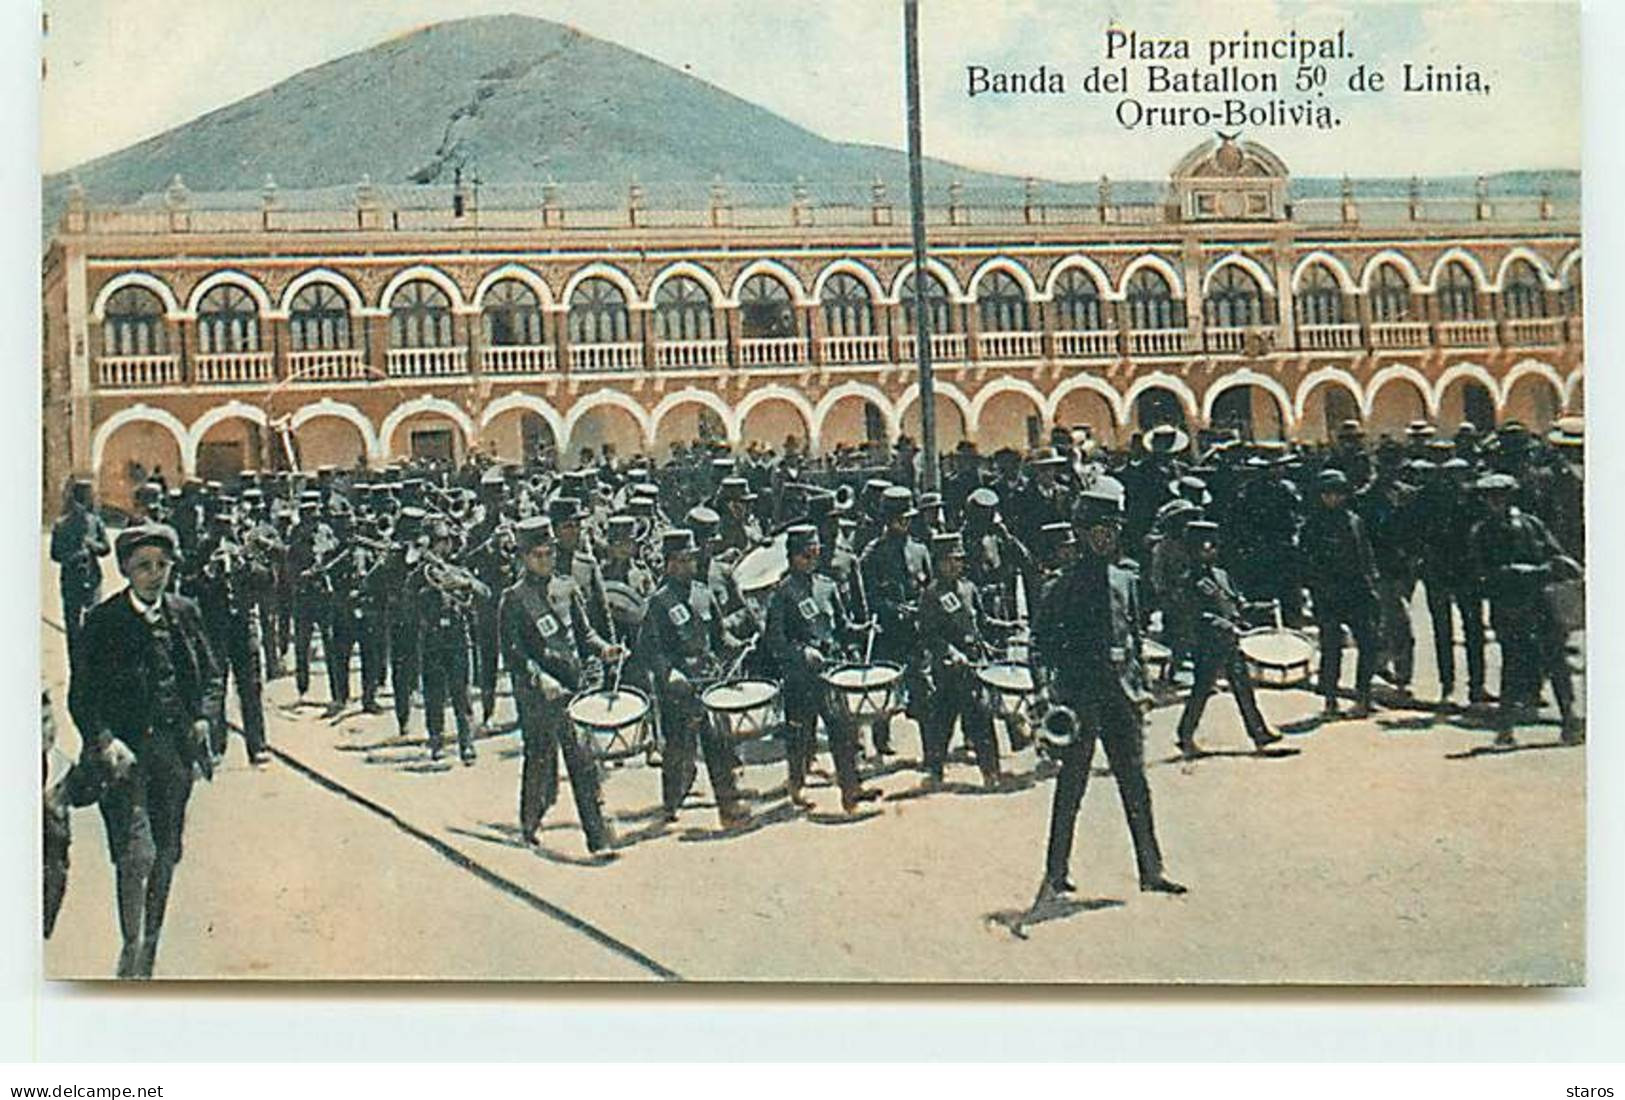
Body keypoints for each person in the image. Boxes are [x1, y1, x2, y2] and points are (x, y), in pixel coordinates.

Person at [68, 523, 221, 978]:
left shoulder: (185, 612)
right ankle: (130, 941)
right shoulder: (102, 622)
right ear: (125, 571)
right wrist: (105, 741)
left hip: (174, 757)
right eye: (144, 567)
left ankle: (150, 939)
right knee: (136, 853)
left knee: (168, 850)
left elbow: (212, 676)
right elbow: (83, 696)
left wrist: (202, 718)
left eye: (162, 566)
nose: (155, 575)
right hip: (125, 758)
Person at [1032, 480, 1184, 904]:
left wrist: (1143, 686)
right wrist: (1051, 697)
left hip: (1122, 695)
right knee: (1072, 786)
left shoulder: (1126, 578)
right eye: (1096, 529)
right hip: (1081, 700)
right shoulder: (1059, 586)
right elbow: (1041, 646)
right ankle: (1056, 872)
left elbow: (1134, 635)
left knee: (1135, 784)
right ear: (1080, 534)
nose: (1105, 536)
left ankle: (1152, 870)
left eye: (1112, 528)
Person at [499, 516, 624, 852]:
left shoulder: (568, 588)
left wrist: (605, 649)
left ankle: (598, 839)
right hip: (538, 696)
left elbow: (585, 634)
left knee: (583, 762)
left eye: (549, 553)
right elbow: (514, 654)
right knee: (539, 760)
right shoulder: (514, 599)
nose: (545, 560)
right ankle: (530, 821)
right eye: (537, 555)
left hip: (573, 688)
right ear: (524, 557)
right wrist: (541, 678)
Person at [637, 529, 751, 828]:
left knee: (719, 744)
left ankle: (729, 805)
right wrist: (669, 673)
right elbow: (651, 649)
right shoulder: (659, 602)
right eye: (683, 560)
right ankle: (671, 803)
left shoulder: (703, 593)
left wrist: (737, 646)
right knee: (679, 749)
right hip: (679, 687)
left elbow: (719, 636)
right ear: (669, 563)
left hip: (708, 679)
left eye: (692, 559)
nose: (690, 565)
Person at [764, 524, 880, 814]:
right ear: (792, 557)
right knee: (801, 736)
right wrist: (802, 652)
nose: (811, 560)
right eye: (805, 554)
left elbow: (842, 627)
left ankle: (851, 790)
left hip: (829, 671)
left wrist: (863, 630)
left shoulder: (826, 587)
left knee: (843, 730)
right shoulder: (782, 592)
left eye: (815, 554)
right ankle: (797, 786)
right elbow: (774, 639)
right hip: (800, 677)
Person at [1469, 473, 1583, 745]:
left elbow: (1555, 554)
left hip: (1541, 604)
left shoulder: (1532, 524)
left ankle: (1569, 721)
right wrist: (1521, 573)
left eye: (1502, 496)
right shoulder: (1482, 531)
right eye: (1491, 497)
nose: (1496, 502)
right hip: (1509, 606)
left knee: (1556, 663)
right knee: (1512, 666)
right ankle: (1505, 728)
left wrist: (1559, 567)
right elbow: (1482, 574)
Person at [1172, 521, 1282, 757]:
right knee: (1201, 690)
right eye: (1205, 547)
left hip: (1231, 642)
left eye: (1213, 546)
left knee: (1243, 688)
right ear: (1193, 550)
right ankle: (1185, 735)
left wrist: (1265, 608)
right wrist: (1226, 626)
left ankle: (1259, 732)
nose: (1211, 551)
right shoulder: (1189, 579)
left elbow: (1239, 605)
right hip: (1209, 644)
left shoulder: (1222, 575)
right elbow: (1196, 615)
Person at [916, 532, 1005, 790]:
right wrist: (951, 653)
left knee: (980, 716)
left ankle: (991, 771)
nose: (956, 565)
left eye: (959, 560)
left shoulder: (968, 588)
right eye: (950, 560)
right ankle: (934, 770)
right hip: (948, 669)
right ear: (939, 562)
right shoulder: (931, 595)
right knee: (942, 719)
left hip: (974, 665)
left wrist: (1004, 628)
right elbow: (929, 634)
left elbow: (982, 622)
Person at [1301, 468, 1380, 719]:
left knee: (1368, 644)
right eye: (1328, 493)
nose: (1333, 498)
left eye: (1338, 493)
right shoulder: (1312, 526)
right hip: (1328, 595)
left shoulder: (1354, 520)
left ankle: (1363, 696)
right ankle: (1330, 699)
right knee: (1331, 648)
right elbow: (1305, 563)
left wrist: (1371, 585)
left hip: (1357, 591)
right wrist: (1315, 590)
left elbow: (1366, 556)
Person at [50, 478, 109, 658]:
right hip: (71, 579)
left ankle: (91, 664)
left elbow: (106, 548)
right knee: (73, 627)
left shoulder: (95, 521)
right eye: (88, 497)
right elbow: (55, 554)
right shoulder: (62, 524)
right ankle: (76, 666)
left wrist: (93, 546)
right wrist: (73, 556)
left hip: (93, 579)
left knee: (93, 622)